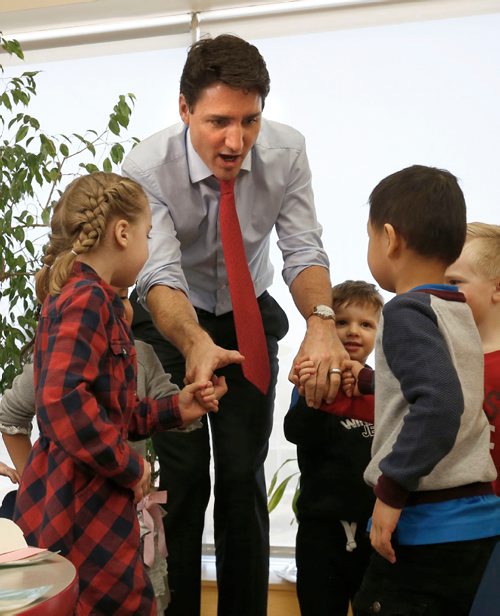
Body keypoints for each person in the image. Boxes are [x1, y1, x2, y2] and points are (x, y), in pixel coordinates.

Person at [122, 34, 347, 615]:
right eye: (219, 121)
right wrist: (196, 341)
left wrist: (321, 322)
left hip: (249, 314)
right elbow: (159, 271)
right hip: (173, 320)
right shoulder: (148, 165)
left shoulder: (287, 150)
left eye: (249, 121)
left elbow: (302, 247)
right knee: (186, 474)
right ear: (184, 109)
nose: (235, 140)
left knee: (244, 472)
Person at [13, 172, 225, 616]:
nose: (148, 249)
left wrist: (178, 407)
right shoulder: (86, 299)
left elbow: (112, 411)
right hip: (81, 504)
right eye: (148, 236)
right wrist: (130, 465)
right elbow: (62, 402)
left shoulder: (88, 300)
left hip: (84, 497)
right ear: (122, 233)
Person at [350, 165, 500, 616]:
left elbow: (440, 403)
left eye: (370, 236)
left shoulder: (405, 312)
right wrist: (365, 382)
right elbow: (439, 385)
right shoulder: (454, 309)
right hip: (473, 524)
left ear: (390, 239)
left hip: (425, 525)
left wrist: (391, 492)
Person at [0, 289, 201, 614]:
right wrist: (34, 479)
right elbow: (10, 416)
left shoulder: (140, 355)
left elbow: (152, 412)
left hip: (130, 521)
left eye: (120, 297)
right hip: (69, 519)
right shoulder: (50, 362)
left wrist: (188, 402)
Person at [284, 280, 383, 616]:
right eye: (342, 322)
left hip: (373, 529)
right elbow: (294, 431)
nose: (353, 331)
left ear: (379, 333)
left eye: (365, 324)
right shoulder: (311, 381)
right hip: (320, 531)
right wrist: (317, 393)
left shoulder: (382, 388)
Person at [445, 222, 500, 496]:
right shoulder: (441, 360)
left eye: (454, 282)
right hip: (457, 519)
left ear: (497, 288)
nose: (441, 292)